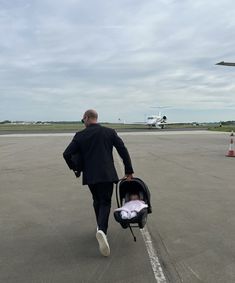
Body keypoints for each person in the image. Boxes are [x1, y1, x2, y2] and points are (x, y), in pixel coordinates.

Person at [63, 109, 134, 257]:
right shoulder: (109, 132)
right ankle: (102, 230)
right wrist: (128, 170)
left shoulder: (80, 135)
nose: (83, 123)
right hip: (107, 174)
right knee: (105, 202)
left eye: (83, 120)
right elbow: (122, 150)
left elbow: (66, 154)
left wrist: (76, 168)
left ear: (87, 118)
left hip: (90, 176)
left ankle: (99, 228)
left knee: (97, 200)